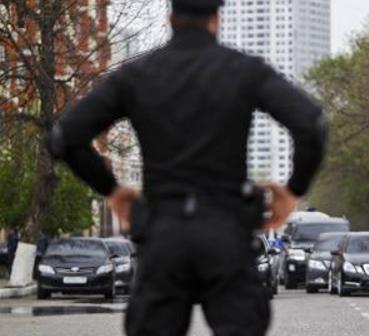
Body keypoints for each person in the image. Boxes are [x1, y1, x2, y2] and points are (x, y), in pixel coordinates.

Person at [50, 0, 327, 334]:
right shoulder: (244, 70)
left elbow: (65, 137)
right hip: (227, 231)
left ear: (171, 19)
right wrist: (293, 190)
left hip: (163, 233)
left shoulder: (136, 76)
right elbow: (312, 125)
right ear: (216, 19)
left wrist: (111, 188)